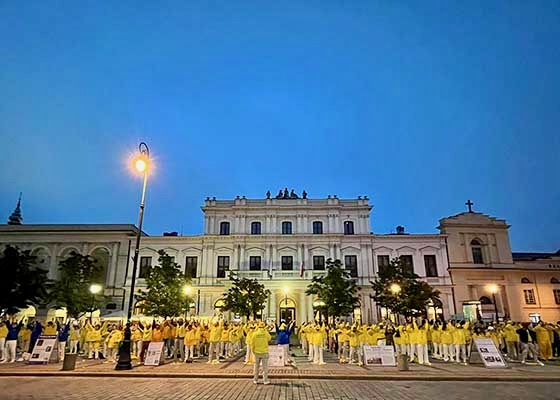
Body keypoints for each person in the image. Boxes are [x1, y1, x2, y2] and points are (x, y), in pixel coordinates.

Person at [250, 321, 271, 385]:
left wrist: (253, 350)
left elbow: (252, 343)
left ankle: (255, 379)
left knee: (256, 366)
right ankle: (265, 380)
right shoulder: (266, 333)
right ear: (264, 326)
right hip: (264, 352)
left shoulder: (255, 333)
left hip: (256, 352)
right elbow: (269, 339)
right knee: (265, 367)